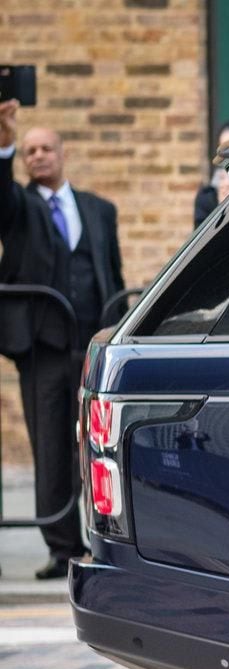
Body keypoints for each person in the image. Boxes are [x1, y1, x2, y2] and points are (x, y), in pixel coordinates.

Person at [0, 100, 124, 579]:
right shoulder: (19, 209)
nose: (37, 156)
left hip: (93, 346)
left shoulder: (99, 210)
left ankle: (106, 538)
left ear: (63, 153)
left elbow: (110, 272)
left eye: (45, 148)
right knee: (51, 447)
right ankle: (61, 547)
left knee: (99, 444)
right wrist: (4, 138)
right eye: (28, 150)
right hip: (43, 347)